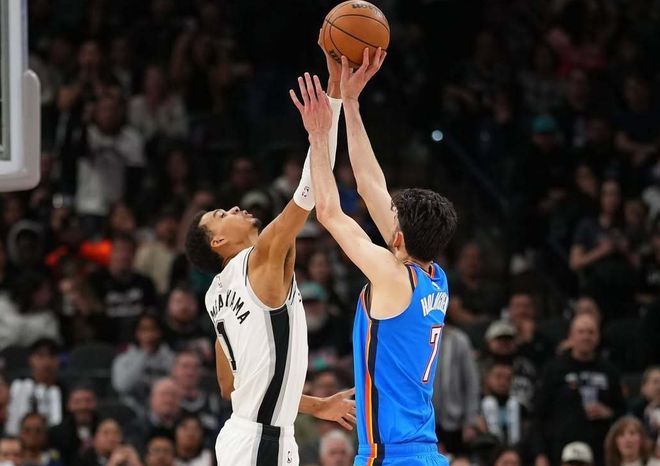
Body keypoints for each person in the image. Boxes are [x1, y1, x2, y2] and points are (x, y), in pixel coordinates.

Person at [183, 47, 355, 466]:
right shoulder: (258, 260)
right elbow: (309, 190)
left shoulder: (215, 296)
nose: (233, 208)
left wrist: (317, 405)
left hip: (246, 437)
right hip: (261, 442)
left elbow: (234, 387)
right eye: (220, 215)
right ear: (217, 243)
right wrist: (331, 102)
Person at [293, 48, 457, 465]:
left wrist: (318, 136)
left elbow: (329, 213)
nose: (386, 212)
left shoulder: (392, 276)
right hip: (424, 451)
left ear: (397, 237)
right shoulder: (435, 277)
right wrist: (350, 103)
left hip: (390, 455)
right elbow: (370, 186)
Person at [534, 314, 624, 466]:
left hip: (599, 452)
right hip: (560, 451)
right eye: (581, 332)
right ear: (571, 336)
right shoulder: (553, 369)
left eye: (591, 332)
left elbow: (622, 410)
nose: (586, 337)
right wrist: (540, 454)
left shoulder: (609, 371)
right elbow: (538, 415)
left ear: (598, 337)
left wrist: (608, 413)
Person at [433, 325, 480, 455]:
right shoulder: (416, 338)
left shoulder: (459, 340)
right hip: (424, 421)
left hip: (455, 422)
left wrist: (470, 422)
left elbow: (471, 384)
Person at [5, 339, 64, 436]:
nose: (46, 362)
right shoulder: (18, 386)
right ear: (31, 360)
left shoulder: (64, 391)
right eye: (40, 356)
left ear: (58, 361)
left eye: (52, 356)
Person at [48, 385, 99, 466]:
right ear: (68, 405)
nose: (83, 406)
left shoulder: (104, 429)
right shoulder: (57, 433)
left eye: (88, 401)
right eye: (77, 402)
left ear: (95, 403)